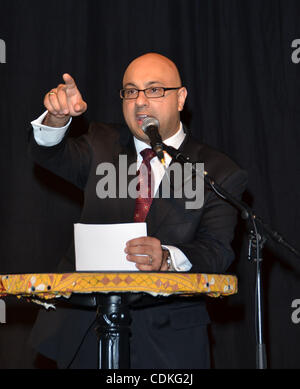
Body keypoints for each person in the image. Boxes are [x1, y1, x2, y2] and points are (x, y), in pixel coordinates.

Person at [28, 53, 247, 369]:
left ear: (180, 98)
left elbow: (216, 252)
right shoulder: (100, 144)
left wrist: (167, 258)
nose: (140, 102)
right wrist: (57, 119)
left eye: (154, 90)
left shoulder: (216, 171)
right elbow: (48, 153)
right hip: (85, 331)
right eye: (131, 91)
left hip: (168, 341)